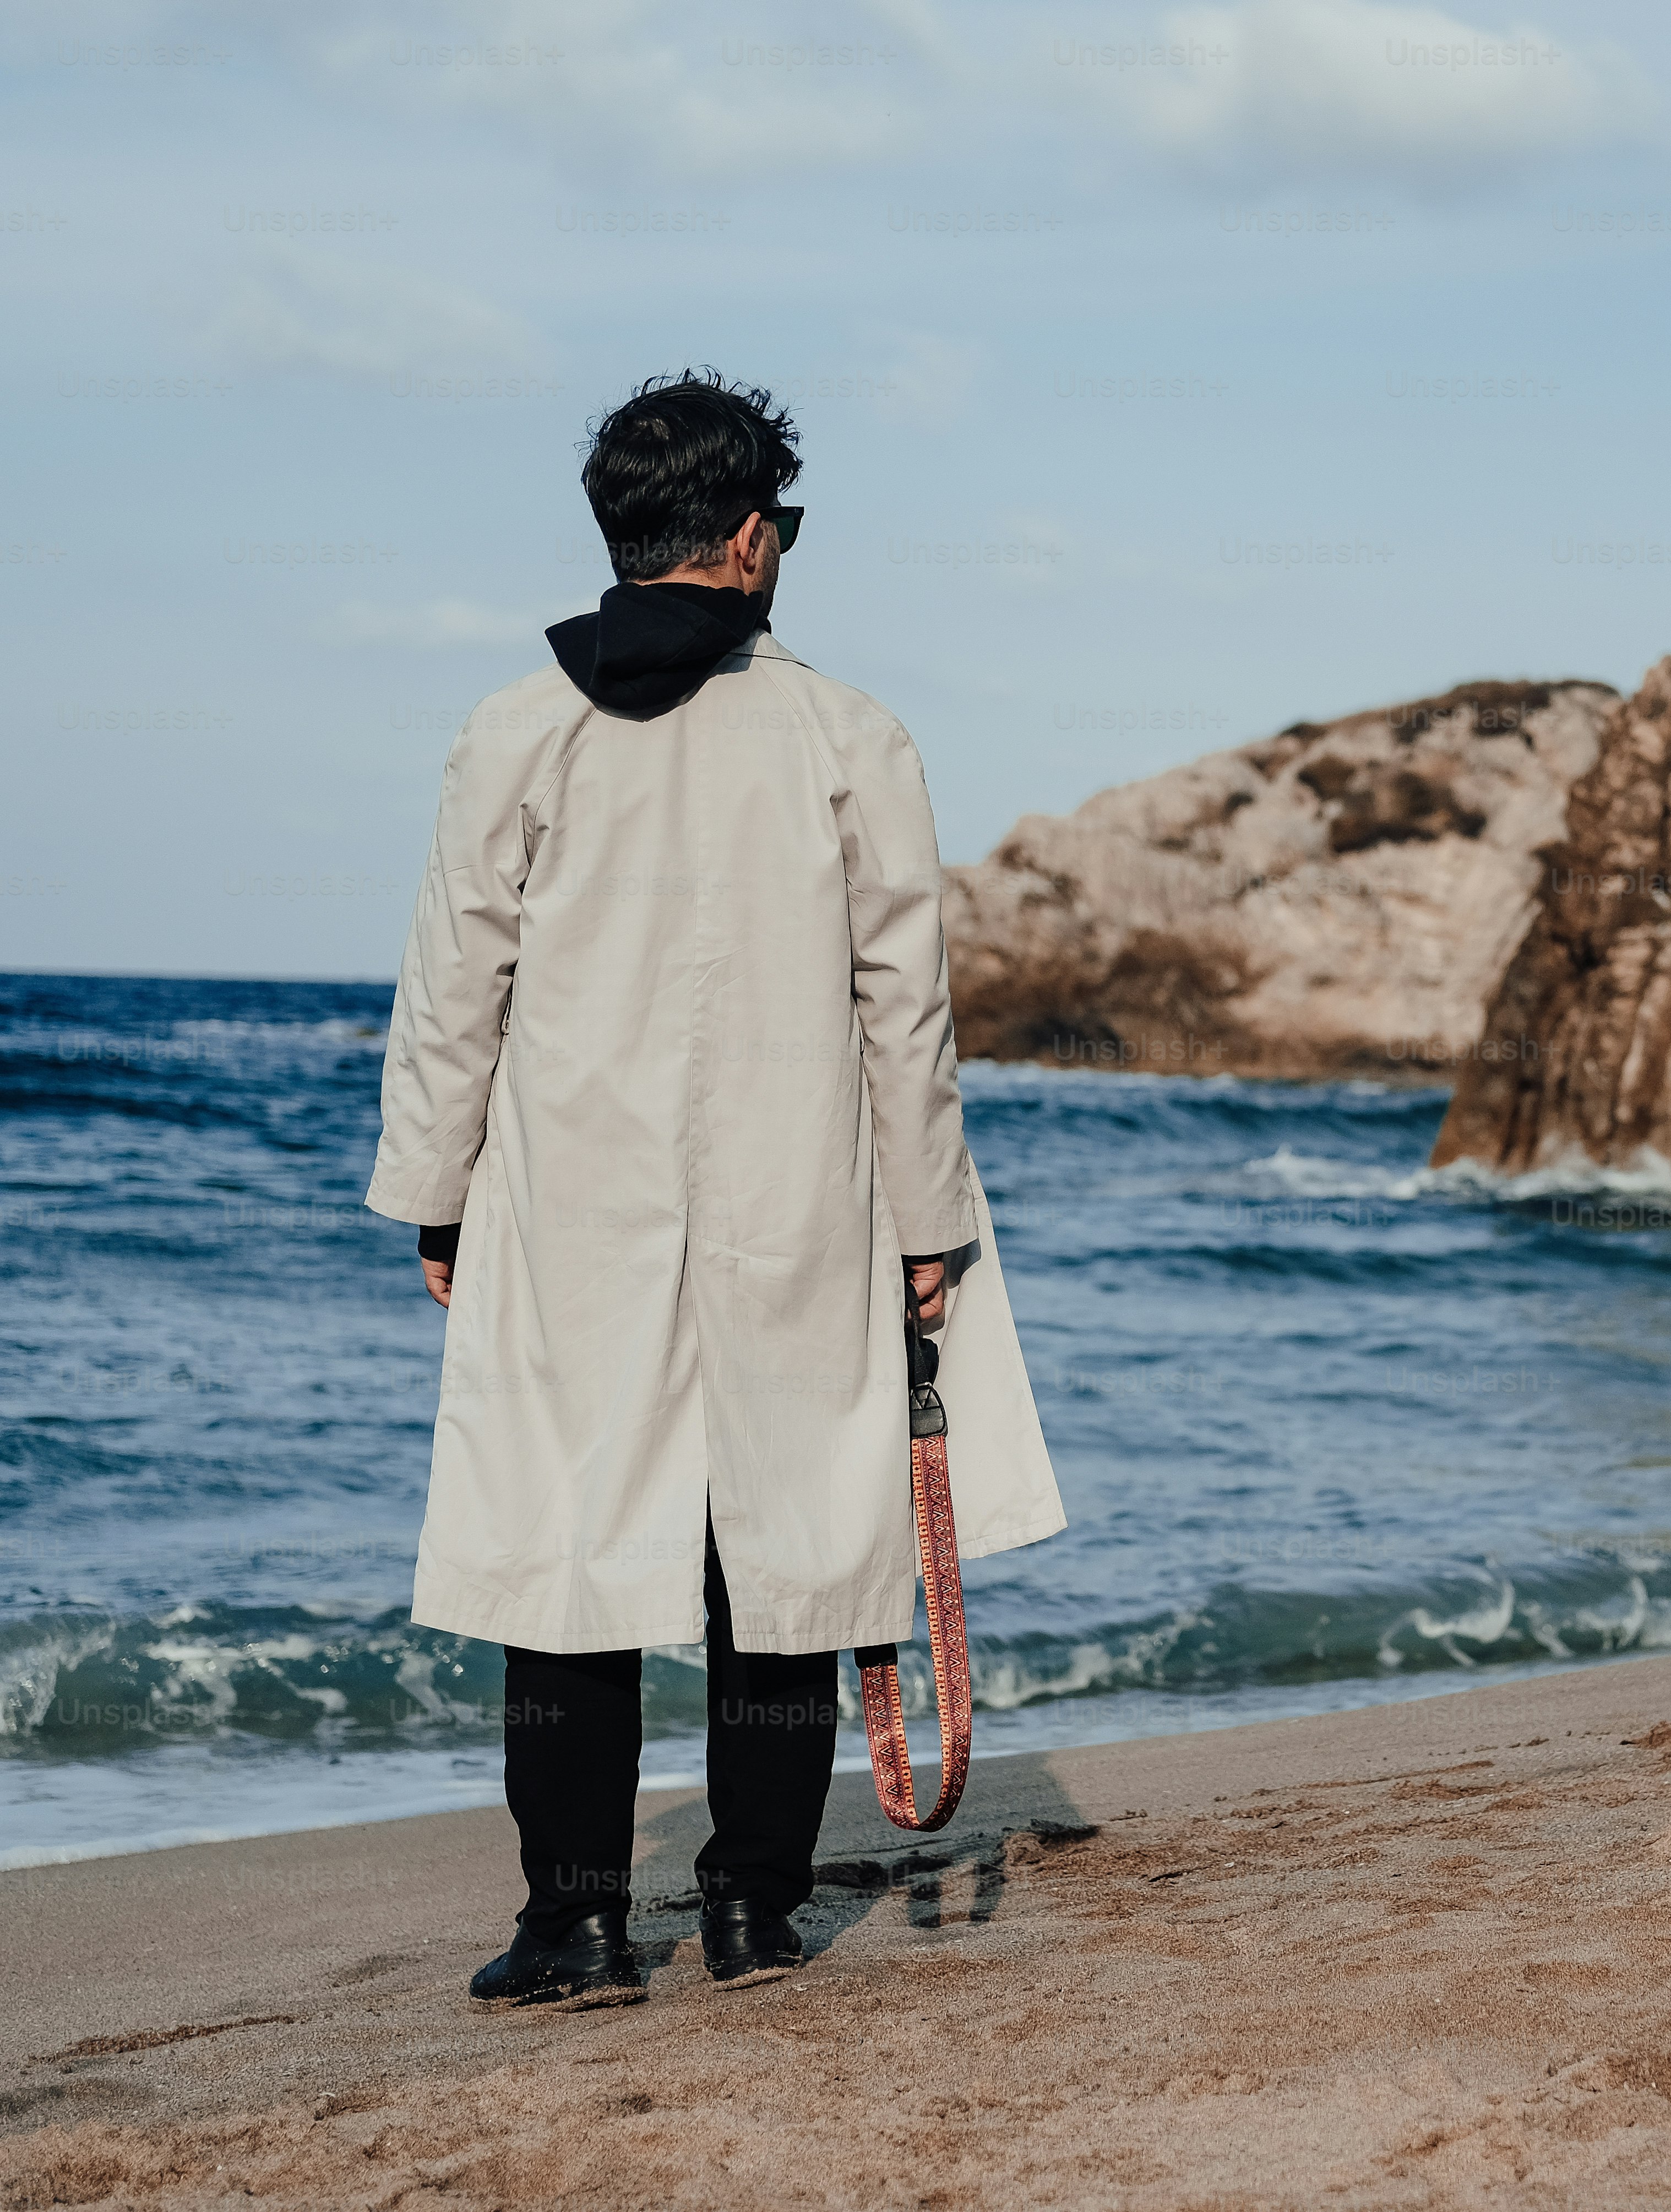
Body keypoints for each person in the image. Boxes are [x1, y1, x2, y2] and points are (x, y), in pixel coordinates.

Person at [364, 369, 1063, 2008]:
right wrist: (928, 1227)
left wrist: (438, 1195)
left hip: (571, 1205)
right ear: (750, 542)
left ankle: (579, 1922)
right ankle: (752, 1904)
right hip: (795, 1188)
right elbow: (906, 1006)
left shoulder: (515, 729)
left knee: (565, 1543)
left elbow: (452, 988)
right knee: (790, 1538)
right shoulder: (846, 734)